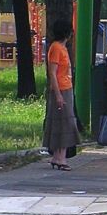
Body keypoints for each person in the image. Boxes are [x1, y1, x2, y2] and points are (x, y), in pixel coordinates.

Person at [43, 19, 77, 170]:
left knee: (61, 122)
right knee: (65, 123)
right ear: (67, 33)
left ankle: (57, 156)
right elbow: (52, 72)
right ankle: (61, 158)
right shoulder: (56, 48)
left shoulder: (62, 48)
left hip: (66, 88)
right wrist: (58, 95)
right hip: (62, 89)